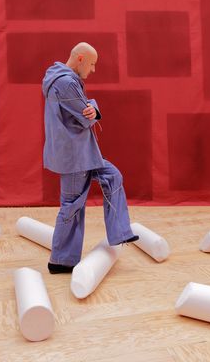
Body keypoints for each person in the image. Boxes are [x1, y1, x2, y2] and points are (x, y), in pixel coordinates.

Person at [42, 42, 138, 274]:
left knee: (112, 176)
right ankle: (61, 261)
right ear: (81, 58)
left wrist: (92, 108)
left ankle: (120, 233)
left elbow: (86, 111)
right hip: (75, 156)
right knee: (72, 206)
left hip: (82, 153)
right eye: (93, 64)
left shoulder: (58, 76)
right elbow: (86, 118)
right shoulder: (65, 82)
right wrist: (93, 107)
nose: (93, 70)